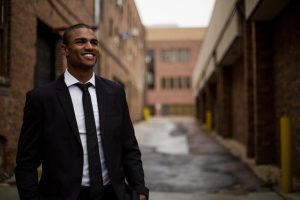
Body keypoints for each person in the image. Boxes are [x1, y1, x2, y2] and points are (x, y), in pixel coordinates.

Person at [15, 23, 149, 200]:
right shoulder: (41, 98)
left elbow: (129, 147)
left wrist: (140, 190)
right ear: (65, 50)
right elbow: (26, 162)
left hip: (112, 194)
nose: (89, 47)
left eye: (94, 42)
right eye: (81, 42)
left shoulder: (114, 92)